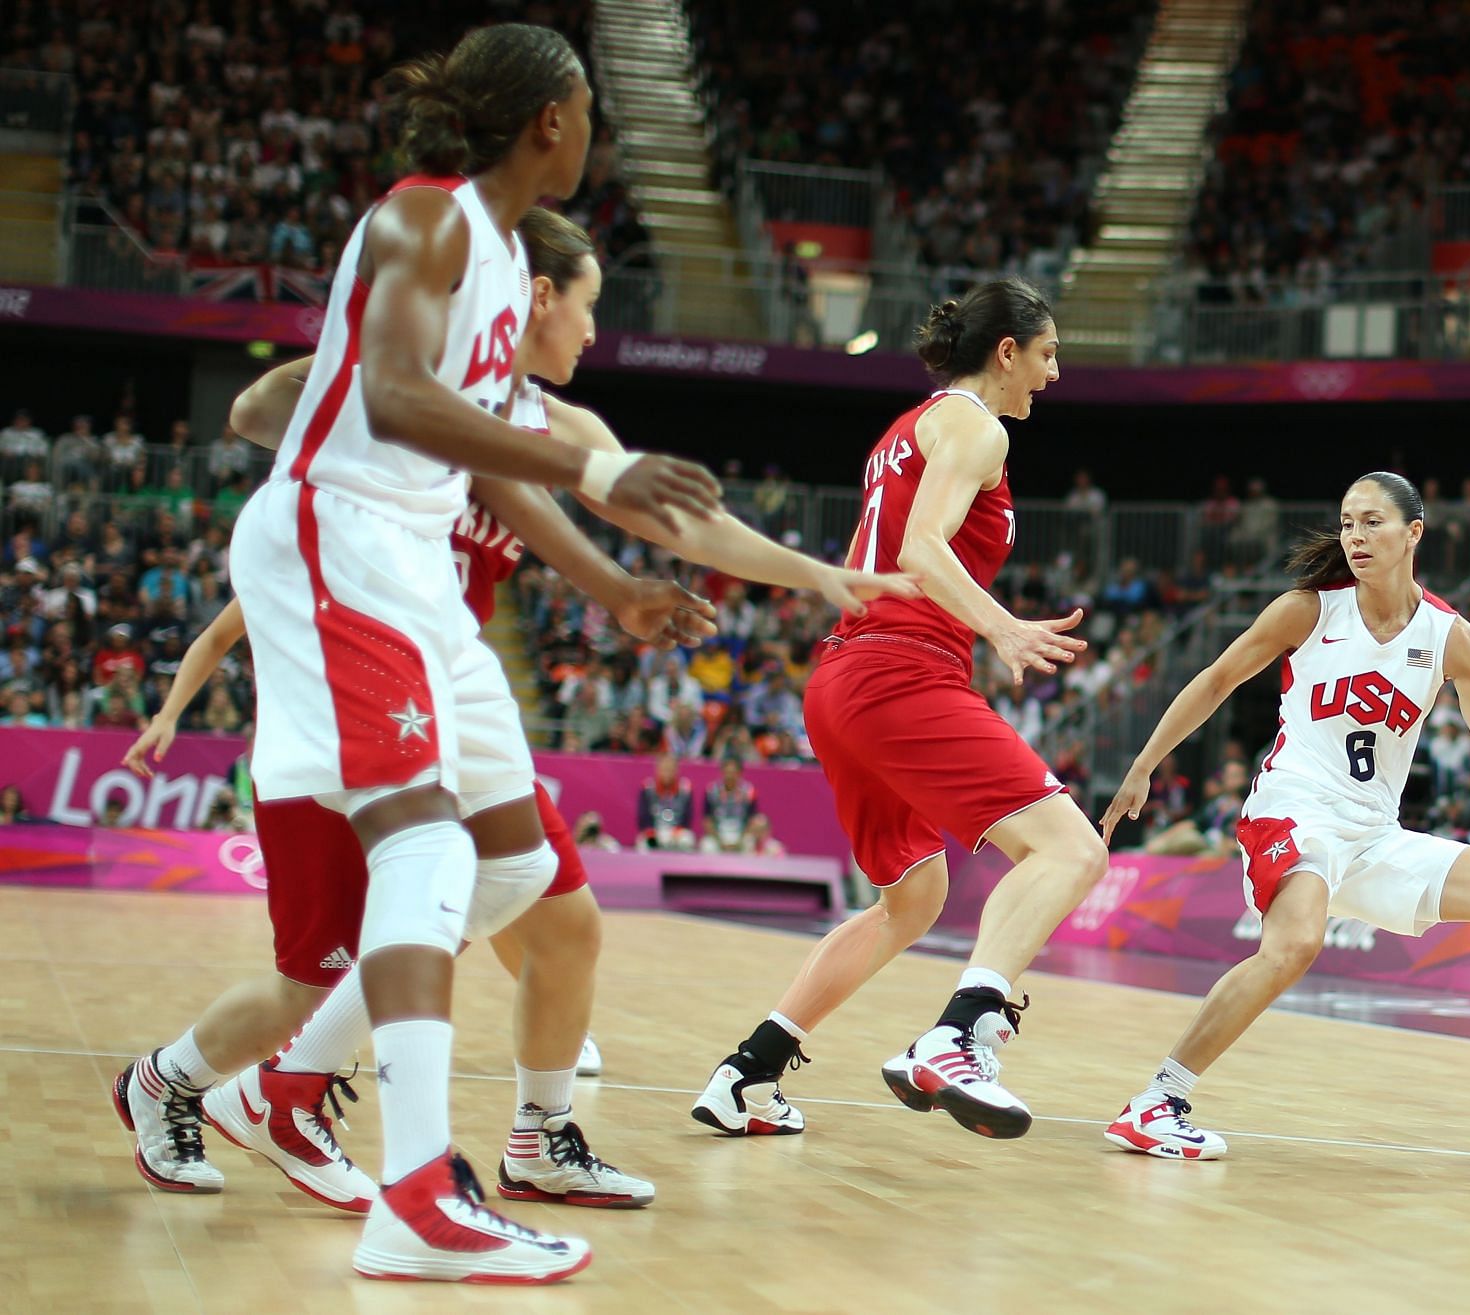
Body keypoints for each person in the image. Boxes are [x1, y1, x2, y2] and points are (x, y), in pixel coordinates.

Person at [124, 200, 913, 1225]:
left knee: (565, 922)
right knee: (304, 980)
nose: (593, 331)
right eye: (584, 306)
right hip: (350, 697)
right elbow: (259, 413)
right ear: (531, 298)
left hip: (444, 698)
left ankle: (535, 1137)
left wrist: (818, 575)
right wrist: (371, 409)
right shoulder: (403, 385)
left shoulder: (564, 427)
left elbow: (691, 523)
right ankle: (174, 1081)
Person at [108, 26, 717, 1285]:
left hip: (417, 564)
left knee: (511, 858)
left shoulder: (497, 255)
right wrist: (598, 465)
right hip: (345, 534)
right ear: (551, 119)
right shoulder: (426, 219)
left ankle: (303, 1097)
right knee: (423, 849)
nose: (595, 129)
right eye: (592, 107)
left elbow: (488, 448)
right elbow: (389, 394)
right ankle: (417, 1190)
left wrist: (610, 584)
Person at [1096, 472, 1470, 1160]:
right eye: (1348, 522)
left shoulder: (1452, 639)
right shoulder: (1309, 611)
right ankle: (1157, 1101)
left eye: (1372, 521)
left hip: (1376, 833)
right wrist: (1144, 764)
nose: (1355, 536)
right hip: (1293, 809)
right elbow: (1215, 680)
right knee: (1293, 944)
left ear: (1414, 531)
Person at [693, 278, 1108, 1143]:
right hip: (900, 673)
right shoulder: (974, 423)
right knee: (1071, 848)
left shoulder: (903, 430)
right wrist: (1001, 628)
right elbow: (920, 547)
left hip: (843, 679)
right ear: (1006, 352)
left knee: (914, 896)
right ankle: (959, 1036)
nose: (1053, 373)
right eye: (1046, 354)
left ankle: (748, 1071)